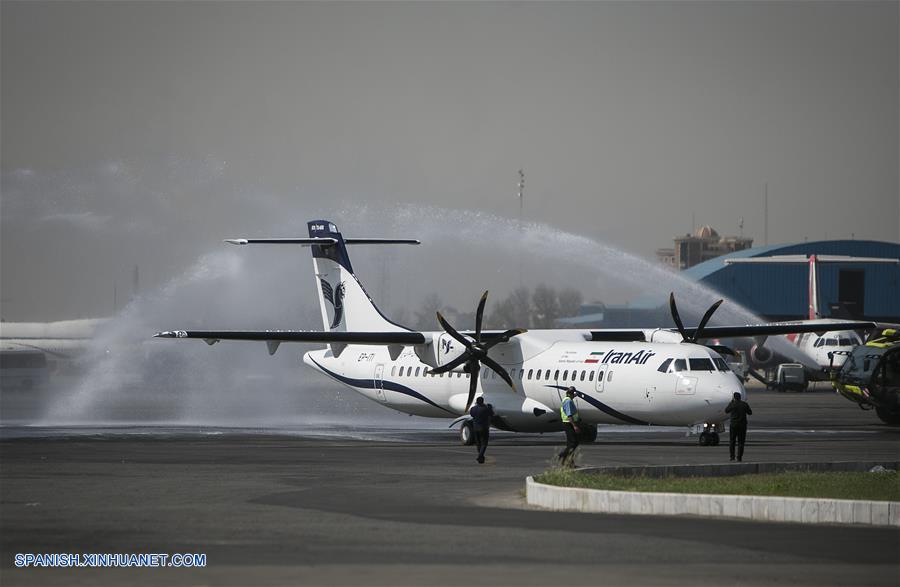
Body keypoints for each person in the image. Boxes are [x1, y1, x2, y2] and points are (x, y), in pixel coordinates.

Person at [725, 392, 752, 461]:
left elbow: (726, 411)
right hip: (742, 425)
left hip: (734, 425)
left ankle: (732, 456)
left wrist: (730, 403)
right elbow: (750, 413)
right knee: (741, 442)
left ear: (734, 398)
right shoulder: (744, 404)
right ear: (740, 397)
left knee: (732, 441)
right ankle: (739, 457)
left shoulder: (732, 404)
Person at [558, 387, 581, 467]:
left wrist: (576, 395)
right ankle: (562, 455)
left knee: (570, 444)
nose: (573, 395)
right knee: (573, 443)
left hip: (568, 423)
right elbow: (569, 415)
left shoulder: (567, 399)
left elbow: (572, 395)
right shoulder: (568, 402)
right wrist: (574, 426)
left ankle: (569, 463)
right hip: (569, 424)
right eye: (573, 393)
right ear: (570, 394)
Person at [469, 396, 494, 464]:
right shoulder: (485, 409)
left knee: (478, 443)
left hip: (475, 428)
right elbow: (491, 414)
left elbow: (471, 414)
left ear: (477, 402)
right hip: (483, 428)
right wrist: (490, 407)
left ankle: (481, 457)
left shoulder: (473, 408)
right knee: (484, 443)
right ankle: (480, 456)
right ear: (482, 401)